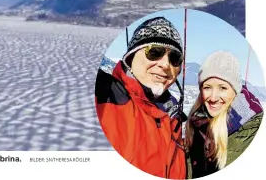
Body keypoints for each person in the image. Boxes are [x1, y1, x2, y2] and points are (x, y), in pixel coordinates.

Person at [95, 16, 187, 179]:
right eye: (154, 52)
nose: (165, 64)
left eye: (174, 58)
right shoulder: (107, 96)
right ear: (130, 58)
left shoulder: (173, 117)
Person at [185, 51, 263, 178]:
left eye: (223, 88)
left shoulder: (248, 129)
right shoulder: (197, 123)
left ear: (235, 91)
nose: (213, 97)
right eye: (207, 87)